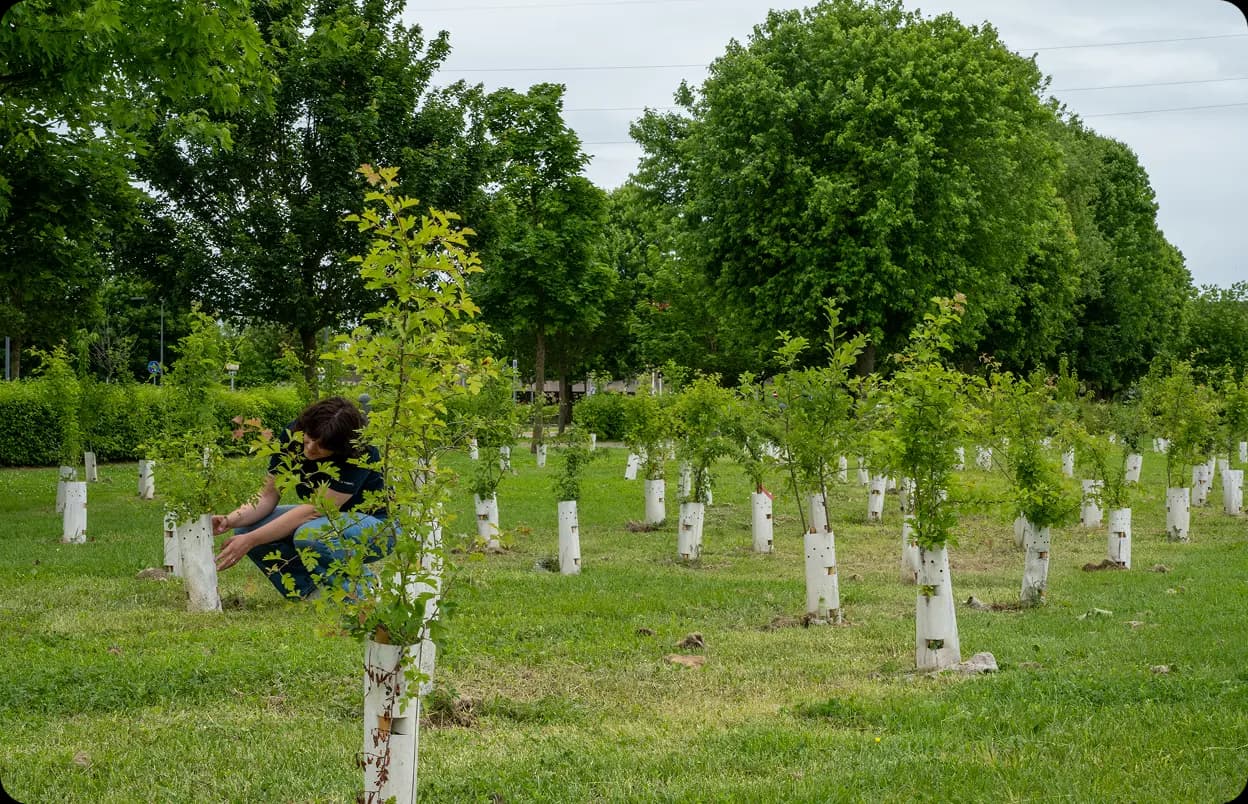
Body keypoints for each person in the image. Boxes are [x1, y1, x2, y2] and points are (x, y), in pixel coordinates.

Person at [212, 396, 393, 599]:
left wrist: (250, 541)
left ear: (342, 447)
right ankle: (311, 592)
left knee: (311, 535)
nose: (310, 448)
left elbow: (314, 510)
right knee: (248, 527)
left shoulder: (360, 451)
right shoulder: (293, 434)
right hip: (325, 520)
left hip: (377, 527)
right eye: (310, 438)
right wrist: (229, 520)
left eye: (322, 446)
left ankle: (363, 589)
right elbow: (267, 495)